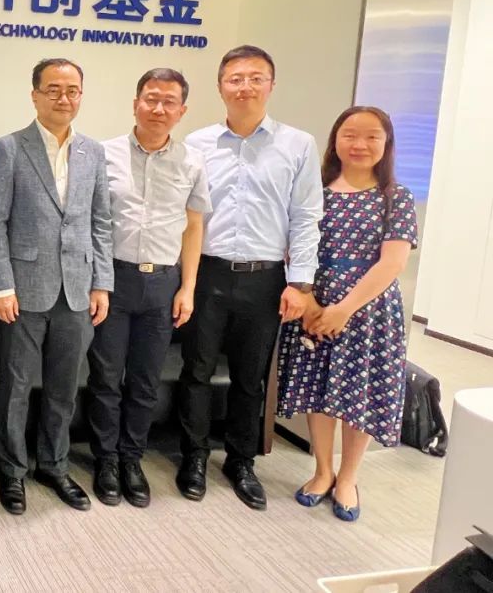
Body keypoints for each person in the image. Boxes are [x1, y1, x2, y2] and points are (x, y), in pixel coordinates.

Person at [178, 45, 323, 511]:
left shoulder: (297, 144)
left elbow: (306, 216)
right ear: (221, 86)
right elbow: (185, 215)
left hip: (266, 278)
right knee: (197, 371)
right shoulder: (196, 144)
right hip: (207, 272)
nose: (245, 87)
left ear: (271, 85)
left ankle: (241, 461)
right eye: (235, 78)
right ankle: (194, 455)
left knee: (251, 376)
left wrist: (300, 283)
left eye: (255, 78)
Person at [0, 58, 114, 514]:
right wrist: (2, 285)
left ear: (81, 95)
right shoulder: (9, 148)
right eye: (53, 89)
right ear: (35, 94)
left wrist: (102, 283)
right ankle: (12, 471)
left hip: (77, 290)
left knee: (64, 387)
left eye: (72, 90)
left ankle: (54, 466)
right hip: (23, 291)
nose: (63, 98)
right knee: (16, 387)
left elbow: (100, 221)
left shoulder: (93, 151)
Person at [278, 106, 417, 522]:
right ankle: (322, 470)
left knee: (360, 393)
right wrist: (312, 304)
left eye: (372, 136)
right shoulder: (314, 191)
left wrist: (343, 309)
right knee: (320, 390)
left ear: (386, 144)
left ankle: (349, 477)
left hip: (368, 311)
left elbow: (392, 262)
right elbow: (291, 246)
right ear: (335, 140)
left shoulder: (396, 197)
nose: (360, 144)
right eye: (350, 135)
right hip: (314, 302)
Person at [88, 68, 210, 508]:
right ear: (135, 103)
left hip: (163, 283)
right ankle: (106, 459)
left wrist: (188, 288)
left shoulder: (192, 162)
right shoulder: (103, 155)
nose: (159, 108)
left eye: (169, 101)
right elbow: (91, 221)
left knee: (145, 381)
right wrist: (97, 282)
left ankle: (131, 459)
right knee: (105, 377)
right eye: (151, 98)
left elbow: (193, 228)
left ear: (182, 110)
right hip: (113, 280)